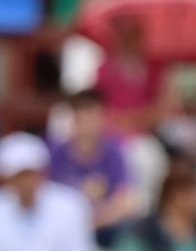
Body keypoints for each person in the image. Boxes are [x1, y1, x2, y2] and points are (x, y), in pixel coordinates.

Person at [48, 88, 139, 242]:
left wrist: (91, 223)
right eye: (83, 118)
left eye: (93, 118)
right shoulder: (57, 154)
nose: (88, 126)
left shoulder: (114, 153)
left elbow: (123, 200)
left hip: (102, 228)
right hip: (63, 228)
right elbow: (48, 198)